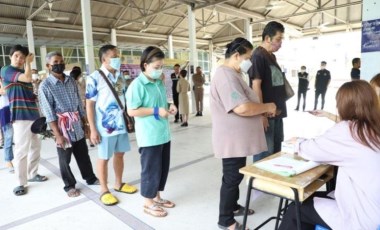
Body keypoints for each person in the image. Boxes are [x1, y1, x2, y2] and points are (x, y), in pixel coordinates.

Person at [279, 80, 380, 230]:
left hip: (363, 216)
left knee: (295, 209)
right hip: (373, 206)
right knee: (313, 199)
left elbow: (312, 149)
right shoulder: (374, 126)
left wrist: (297, 142)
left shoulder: (348, 130)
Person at [210, 37, 277, 230]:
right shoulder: (225, 76)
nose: (250, 62)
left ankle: (232, 206)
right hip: (231, 140)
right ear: (236, 55)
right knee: (231, 178)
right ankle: (226, 220)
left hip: (237, 139)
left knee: (235, 176)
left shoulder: (235, 73)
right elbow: (241, 108)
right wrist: (267, 106)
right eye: (248, 57)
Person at [127, 46, 178, 218]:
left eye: (161, 67)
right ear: (145, 65)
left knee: (162, 168)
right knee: (150, 169)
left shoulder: (158, 83)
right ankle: (148, 203)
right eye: (156, 67)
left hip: (163, 133)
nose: (159, 70)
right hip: (149, 136)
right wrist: (156, 111)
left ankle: (156, 197)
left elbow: (163, 103)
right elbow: (132, 111)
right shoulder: (137, 85)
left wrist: (170, 106)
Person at [39, 52, 98, 197]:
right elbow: (49, 113)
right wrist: (57, 134)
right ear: (48, 66)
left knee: (83, 154)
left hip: (77, 124)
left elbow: (79, 103)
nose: (59, 64)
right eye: (55, 62)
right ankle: (69, 185)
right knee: (65, 159)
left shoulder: (71, 81)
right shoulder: (45, 86)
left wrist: (86, 125)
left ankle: (90, 177)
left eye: (61, 61)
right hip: (62, 128)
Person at [86, 44, 137, 206]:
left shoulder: (120, 76)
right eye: (114, 56)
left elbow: (125, 97)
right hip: (105, 127)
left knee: (120, 154)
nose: (118, 59)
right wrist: (92, 129)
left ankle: (118, 183)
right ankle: (103, 189)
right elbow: (89, 105)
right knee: (104, 157)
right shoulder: (94, 77)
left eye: (118, 56)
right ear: (104, 59)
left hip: (121, 124)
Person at [1, 45, 48, 196]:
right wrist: (29, 62)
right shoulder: (6, 70)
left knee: (36, 147)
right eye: (17, 56)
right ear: (10, 57)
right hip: (20, 116)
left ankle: (33, 173)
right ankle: (20, 183)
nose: (20, 59)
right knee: (21, 150)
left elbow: (28, 89)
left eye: (22, 57)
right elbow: (27, 78)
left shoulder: (23, 72)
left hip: (34, 115)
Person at [248, 21, 287, 161]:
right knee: (264, 156)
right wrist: (261, 114)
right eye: (278, 39)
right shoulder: (258, 56)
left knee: (275, 154)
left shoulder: (271, 56)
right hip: (266, 116)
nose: (280, 43)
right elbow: (256, 86)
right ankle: (256, 184)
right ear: (267, 39)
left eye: (281, 39)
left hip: (276, 113)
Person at [70, 66, 95, 148]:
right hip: (83, 104)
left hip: (76, 106)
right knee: (87, 123)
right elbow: (85, 93)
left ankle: (86, 140)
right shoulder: (82, 81)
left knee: (81, 123)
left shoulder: (71, 83)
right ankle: (90, 141)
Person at [0, 79, 14, 173]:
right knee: (8, 136)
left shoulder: (8, 79)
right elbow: (3, 91)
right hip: (4, 110)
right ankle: (8, 160)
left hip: (15, 108)